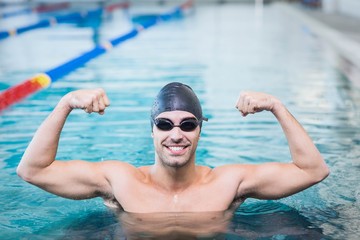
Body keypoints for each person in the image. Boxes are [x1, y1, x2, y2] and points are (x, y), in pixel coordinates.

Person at [17, 82, 329, 213]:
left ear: (199, 131)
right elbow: (33, 170)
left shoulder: (229, 182)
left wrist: (276, 106)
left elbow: (313, 170)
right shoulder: (120, 180)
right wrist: (66, 103)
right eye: (165, 125)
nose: (176, 134)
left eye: (188, 125)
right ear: (152, 131)